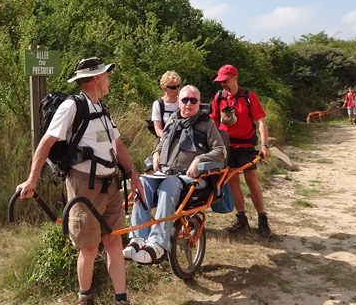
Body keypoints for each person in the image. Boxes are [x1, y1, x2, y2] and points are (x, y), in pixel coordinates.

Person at [17, 57, 144, 305]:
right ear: (96, 78)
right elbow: (46, 143)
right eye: (106, 75)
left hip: (111, 186)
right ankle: (84, 299)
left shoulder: (102, 109)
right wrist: (32, 180)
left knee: (114, 241)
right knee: (89, 247)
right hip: (83, 186)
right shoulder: (71, 107)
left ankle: (122, 300)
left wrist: (133, 173)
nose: (109, 80)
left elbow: (118, 145)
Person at [123, 85, 226, 265]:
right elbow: (162, 143)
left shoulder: (206, 123)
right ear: (179, 102)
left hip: (192, 179)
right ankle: (138, 238)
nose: (188, 104)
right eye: (185, 100)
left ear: (199, 102)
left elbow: (221, 151)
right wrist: (156, 152)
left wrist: (200, 159)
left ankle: (158, 243)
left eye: (193, 100)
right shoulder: (172, 119)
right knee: (142, 182)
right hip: (165, 173)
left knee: (169, 185)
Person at [210, 64, 272, 239]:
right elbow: (213, 122)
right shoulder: (219, 97)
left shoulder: (249, 97)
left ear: (235, 78)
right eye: (220, 82)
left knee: (252, 181)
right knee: (233, 183)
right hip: (226, 148)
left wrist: (265, 145)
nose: (223, 84)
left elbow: (261, 121)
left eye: (225, 80)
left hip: (245, 147)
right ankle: (241, 219)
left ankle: (262, 220)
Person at [150, 71, 181, 140]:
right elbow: (158, 129)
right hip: (165, 140)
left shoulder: (183, 102)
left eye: (178, 86)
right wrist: (168, 138)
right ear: (164, 88)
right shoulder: (158, 104)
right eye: (173, 87)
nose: (177, 89)